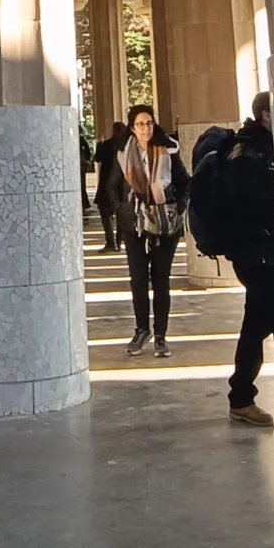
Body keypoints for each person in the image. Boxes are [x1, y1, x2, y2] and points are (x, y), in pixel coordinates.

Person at [220, 91, 274, 428]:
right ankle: (244, 397)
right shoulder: (248, 151)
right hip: (257, 253)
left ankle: (243, 396)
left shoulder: (265, 146)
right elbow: (247, 202)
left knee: (268, 324)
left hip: (266, 252)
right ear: (265, 115)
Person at [118, 104, 185, 358]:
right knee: (137, 279)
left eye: (149, 123)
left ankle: (160, 335)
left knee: (160, 279)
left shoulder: (168, 149)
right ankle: (141, 329)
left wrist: (177, 206)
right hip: (134, 225)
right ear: (132, 128)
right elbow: (112, 186)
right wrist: (122, 210)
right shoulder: (123, 153)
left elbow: (184, 180)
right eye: (140, 124)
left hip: (164, 224)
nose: (145, 128)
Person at [92, 121, 126, 254]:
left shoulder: (106, 145)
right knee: (121, 215)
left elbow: (96, 158)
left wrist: (99, 145)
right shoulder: (126, 146)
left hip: (106, 183)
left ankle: (111, 242)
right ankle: (119, 241)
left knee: (106, 214)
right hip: (122, 185)